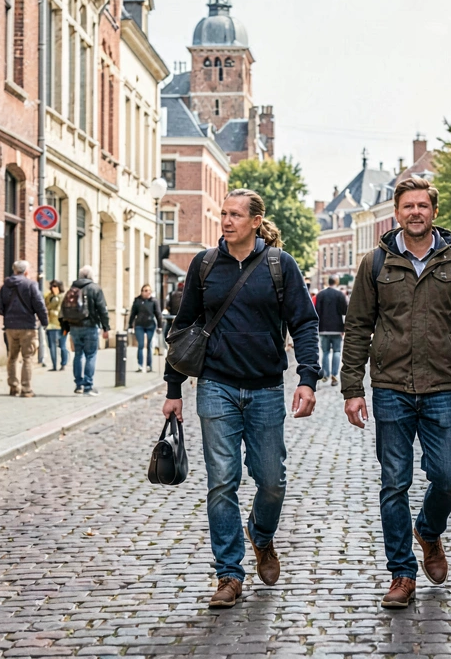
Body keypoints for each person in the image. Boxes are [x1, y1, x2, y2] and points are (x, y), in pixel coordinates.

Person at [162, 189, 320, 609]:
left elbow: (304, 323)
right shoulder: (204, 265)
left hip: (267, 388)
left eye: (235, 215)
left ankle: (262, 535)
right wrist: (173, 389)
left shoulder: (279, 265)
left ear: (255, 221)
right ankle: (228, 574)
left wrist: (308, 378)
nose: (226, 221)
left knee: (271, 481)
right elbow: (185, 328)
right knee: (222, 481)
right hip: (215, 386)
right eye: (223, 214)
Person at [341, 176, 451, 609]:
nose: (415, 213)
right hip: (390, 388)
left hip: (442, 387)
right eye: (407, 206)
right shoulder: (376, 263)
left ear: (434, 212)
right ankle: (401, 574)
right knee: (394, 483)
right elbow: (357, 328)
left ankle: (428, 529)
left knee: (448, 476)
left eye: (422, 206)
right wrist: (352, 388)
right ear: (396, 212)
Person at [0, 260, 49, 398]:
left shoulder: (6, 285)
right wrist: (44, 321)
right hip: (27, 326)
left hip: (10, 327)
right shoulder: (31, 285)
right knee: (27, 357)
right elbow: (39, 304)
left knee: (12, 357)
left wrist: (8, 315)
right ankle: (26, 389)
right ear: (26, 272)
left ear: (14, 271)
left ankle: (13, 387)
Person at [61, 264, 111, 395]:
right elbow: (102, 310)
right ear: (91, 276)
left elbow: (64, 309)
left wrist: (65, 328)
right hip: (90, 326)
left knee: (78, 355)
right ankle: (88, 386)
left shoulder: (72, 288)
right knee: (91, 355)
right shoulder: (95, 288)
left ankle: (78, 385)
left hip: (74, 327)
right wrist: (106, 327)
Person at [315, 275, 348, 386]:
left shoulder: (320, 295)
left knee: (325, 352)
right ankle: (335, 374)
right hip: (337, 328)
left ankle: (325, 374)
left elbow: (316, 311)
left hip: (323, 328)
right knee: (337, 352)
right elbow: (345, 311)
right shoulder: (340, 295)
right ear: (337, 282)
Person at [129, 285, 161, 372]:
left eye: (149, 291)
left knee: (150, 345)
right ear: (142, 291)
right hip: (139, 325)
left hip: (150, 325)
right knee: (141, 345)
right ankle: (140, 365)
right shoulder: (137, 301)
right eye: (146, 290)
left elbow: (158, 314)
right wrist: (129, 325)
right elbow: (133, 313)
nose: (148, 292)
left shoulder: (154, 301)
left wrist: (160, 326)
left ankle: (149, 366)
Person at [45, 280, 69, 371]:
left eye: (55, 286)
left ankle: (63, 364)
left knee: (62, 345)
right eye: (52, 286)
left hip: (62, 324)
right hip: (51, 324)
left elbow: (60, 310)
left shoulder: (64, 297)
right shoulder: (48, 297)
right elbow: (46, 307)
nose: (53, 288)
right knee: (52, 346)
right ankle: (54, 365)